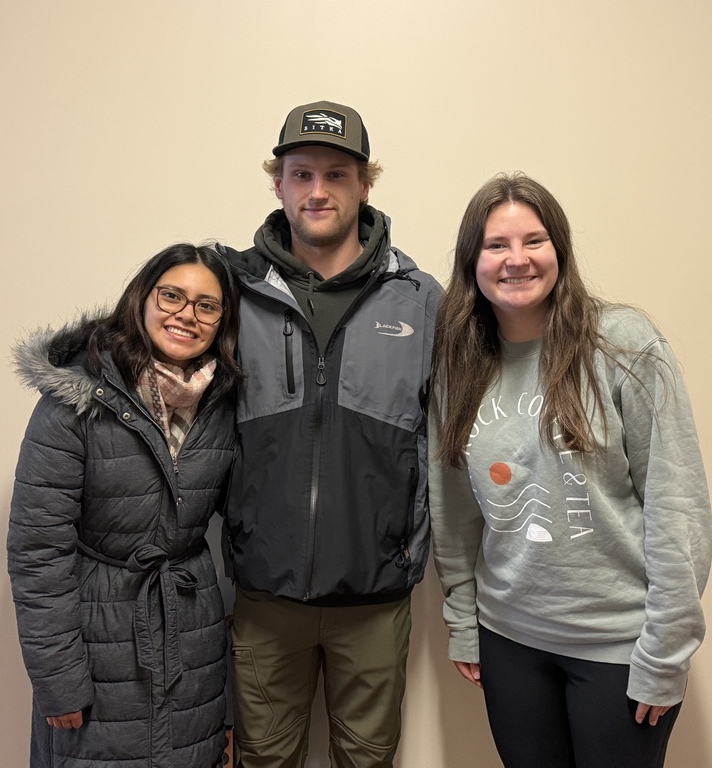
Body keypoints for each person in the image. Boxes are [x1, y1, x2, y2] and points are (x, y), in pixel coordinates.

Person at [429, 172, 712, 768]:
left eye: (534, 241)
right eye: (496, 245)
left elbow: (675, 501)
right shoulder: (460, 360)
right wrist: (462, 617)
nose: (517, 260)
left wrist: (666, 649)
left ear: (559, 248)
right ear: (471, 261)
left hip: (618, 644)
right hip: (509, 640)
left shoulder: (623, 344)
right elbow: (452, 505)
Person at [219, 100, 442, 768]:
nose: (318, 191)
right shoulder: (231, 289)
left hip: (374, 595)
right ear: (278, 182)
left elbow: (451, 439)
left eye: (337, 174)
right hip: (263, 594)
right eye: (301, 173)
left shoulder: (420, 298)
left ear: (365, 183)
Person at [6, 243, 243, 768]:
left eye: (207, 305)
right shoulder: (76, 401)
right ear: (142, 298)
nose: (187, 315)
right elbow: (37, 550)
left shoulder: (223, 400)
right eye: (172, 296)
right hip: (99, 636)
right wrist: (58, 678)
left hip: (192, 632)